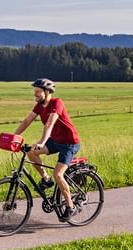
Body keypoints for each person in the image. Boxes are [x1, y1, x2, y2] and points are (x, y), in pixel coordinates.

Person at [13, 78, 82, 221]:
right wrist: (14, 136)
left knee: (58, 174)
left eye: (38, 92)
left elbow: (50, 123)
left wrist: (42, 142)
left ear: (47, 92)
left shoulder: (57, 103)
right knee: (30, 152)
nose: (35, 95)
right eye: (35, 92)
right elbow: (27, 121)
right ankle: (46, 179)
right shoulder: (39, 106)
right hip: (56, 141)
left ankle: (71, 207)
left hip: (69, 143)